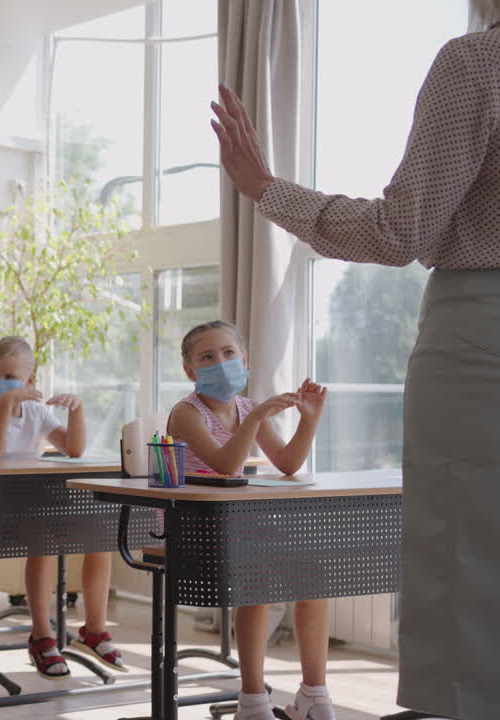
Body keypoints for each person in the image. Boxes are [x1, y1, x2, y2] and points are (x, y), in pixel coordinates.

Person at [210, 5, 500, 714]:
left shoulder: (477, 63)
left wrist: (266, 190)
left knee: (464, 554)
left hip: (480, 334)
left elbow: (401, 231)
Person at [166, 321, 329, 720]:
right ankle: (253, 700)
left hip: (237, 524)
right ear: (190, 371)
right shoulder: (187, 413)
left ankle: (314, 695)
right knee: (258, 575)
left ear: (245, 359)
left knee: (315, 573)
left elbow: (287, 463)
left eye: (228, 353)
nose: (220, 363)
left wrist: (309, 420)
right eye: (207, 357)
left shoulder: (245, 408)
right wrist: (255, 418)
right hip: (193, 526)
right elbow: (225, 465)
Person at [0, 337, 123, 677]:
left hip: (36, 501)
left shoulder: (35, 410)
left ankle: (94, 630)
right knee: (43, 538)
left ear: (29, 381)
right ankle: (41, 635)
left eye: (9, 377)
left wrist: (77, 411)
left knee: (100, 534)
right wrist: (7, 402)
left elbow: (73, 449)